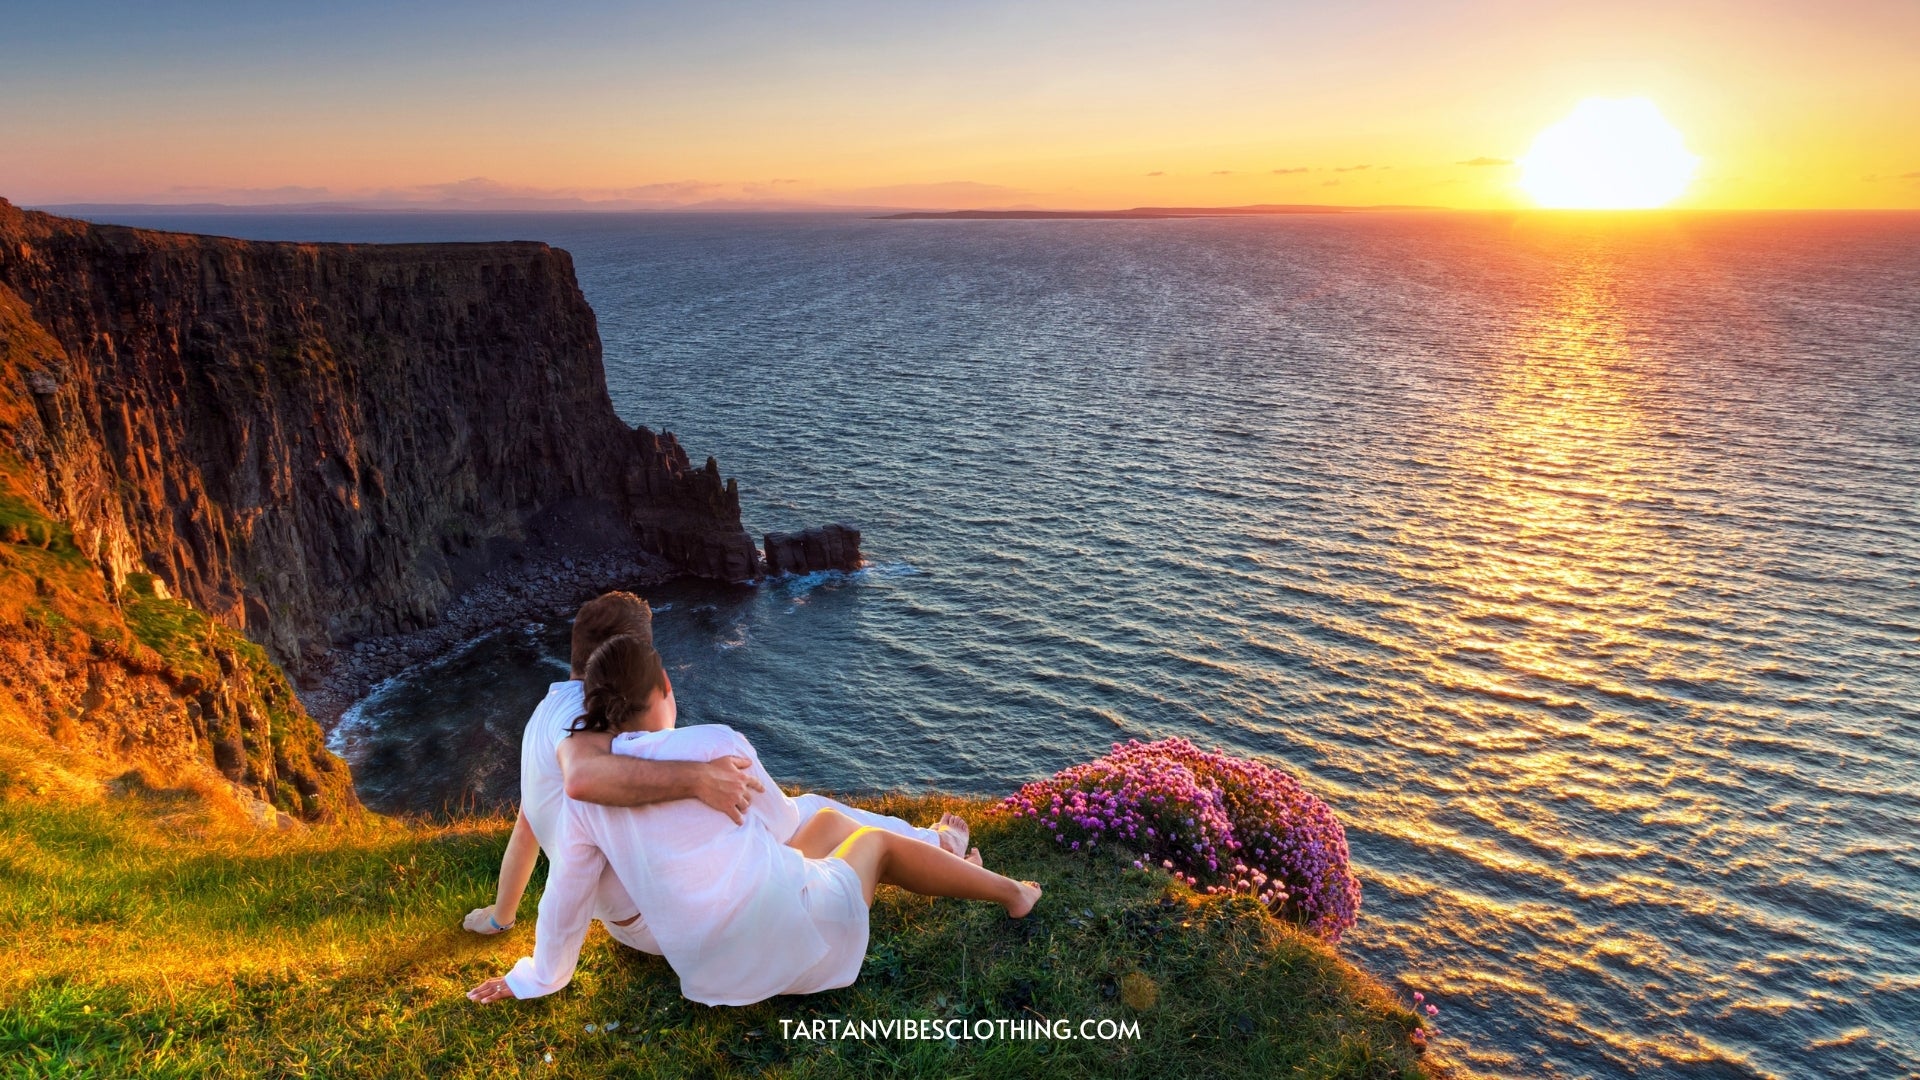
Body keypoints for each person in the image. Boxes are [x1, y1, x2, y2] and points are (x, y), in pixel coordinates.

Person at [467, 635, 1040, 1007]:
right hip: (792, 945)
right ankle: (1014, 893)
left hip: (705, 968)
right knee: (873, 845)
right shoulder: (715, 744)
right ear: (665, 688)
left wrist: (533, 979)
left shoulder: (589, 799)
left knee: (824, 828)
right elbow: (783, 821)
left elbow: (564, 899)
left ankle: (944, 847)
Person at [464, 591, 971, 950]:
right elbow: (580, 776)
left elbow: (530, 819)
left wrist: (500, 915)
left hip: (626, 922)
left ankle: (927, 845)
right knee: (804, 815)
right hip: (664, 925)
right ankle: (938, 846)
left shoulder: (545, 714)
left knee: (795, 817)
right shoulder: (591, 729)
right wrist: (700, 777)